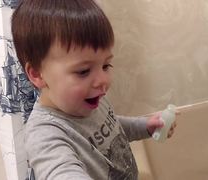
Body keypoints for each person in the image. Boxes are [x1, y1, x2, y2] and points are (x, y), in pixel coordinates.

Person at [11, 0, 178, 179]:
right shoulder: (44, 133)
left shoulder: (88, 100)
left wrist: (145, 126)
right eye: (83, 71)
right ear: (37, 74)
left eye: (106, 65)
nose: (103, 80)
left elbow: (111, 127)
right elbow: (60, 170)